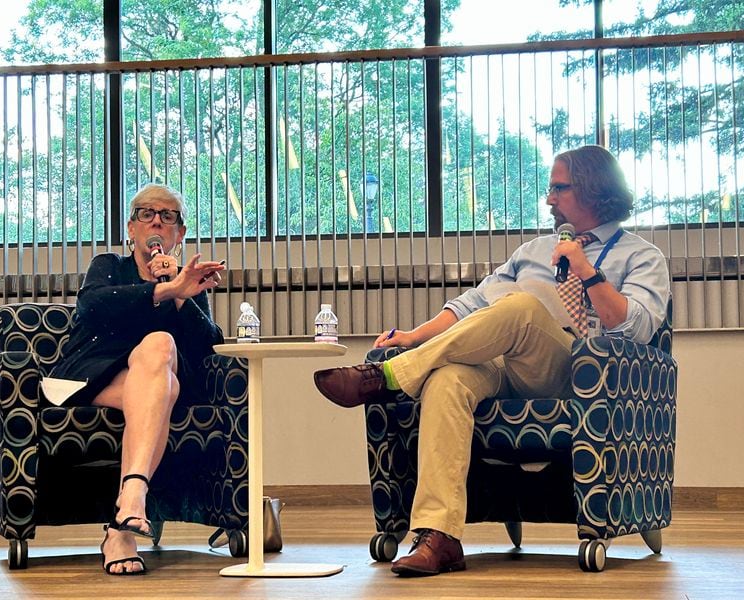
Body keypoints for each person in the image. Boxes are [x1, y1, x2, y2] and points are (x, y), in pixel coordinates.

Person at [313, 145, 670, 577]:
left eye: (559, 188)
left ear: (594, 189)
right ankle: (438, 536)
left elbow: (637, 329)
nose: (549, 199)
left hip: (580, 378)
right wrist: (413, 336)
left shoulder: (640, 255)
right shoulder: (534, 250)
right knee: (448, 378)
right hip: (505, 368)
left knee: (520, 307)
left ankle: (387, 377)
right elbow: (471, 304)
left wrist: (586, 270)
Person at [47, 183, 226, 575]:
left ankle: (123, 520)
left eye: (167, 216)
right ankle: (130, 503)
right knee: (163, 386)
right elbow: (94, 306)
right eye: (146, 214)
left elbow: (207, 347)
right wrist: (162, 290)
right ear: (131, 229)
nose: (156, 222)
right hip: (91, 378)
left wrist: (182, 292)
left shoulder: (187, 279)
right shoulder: (108, 265)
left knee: (161, 352)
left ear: (179, 234)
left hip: (155, 382)